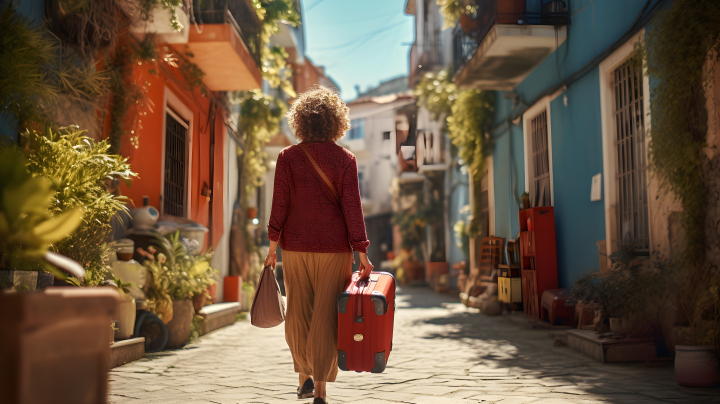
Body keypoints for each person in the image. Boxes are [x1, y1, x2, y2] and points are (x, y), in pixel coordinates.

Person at [264, 85, 373, 404]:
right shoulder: (345, 160)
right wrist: (361, 250)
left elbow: (279, 205)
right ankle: (320, 392)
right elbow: (353, 207)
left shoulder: (287, 157)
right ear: (336, 122)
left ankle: (303, 379)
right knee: (326, 316)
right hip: (335, 250)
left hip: (295, 248)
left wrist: (272, 249)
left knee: (299, 311)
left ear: (300, 121)